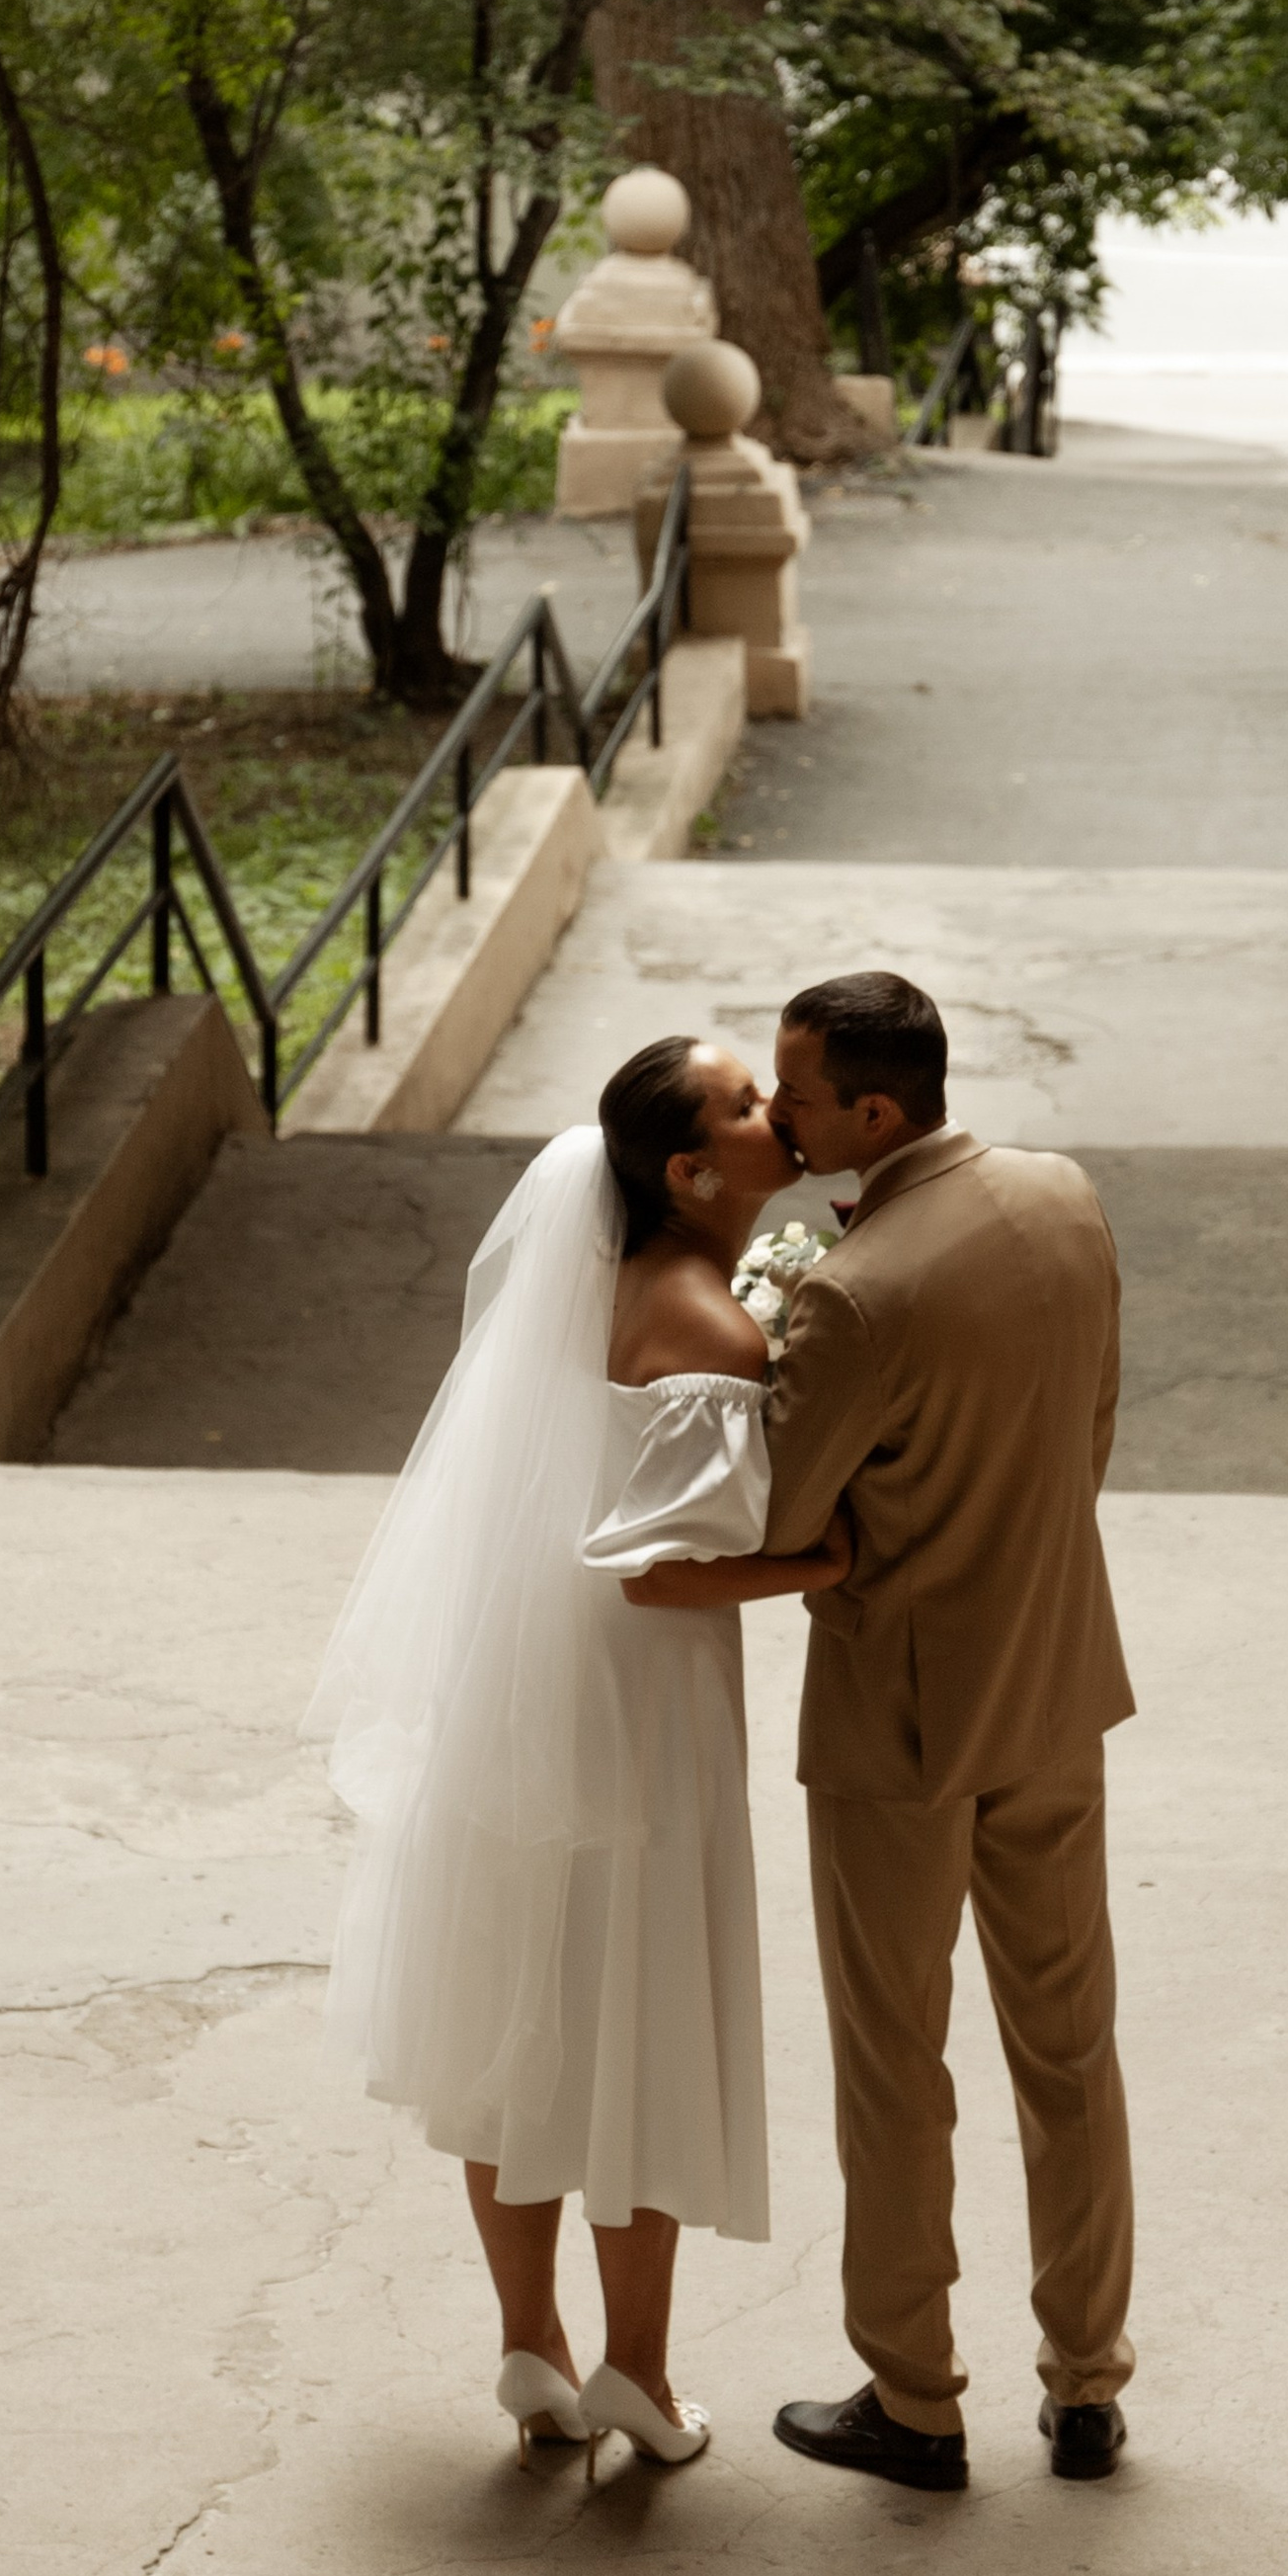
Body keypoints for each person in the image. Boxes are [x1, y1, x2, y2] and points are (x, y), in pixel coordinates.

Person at [622, 970, 1138, 2492]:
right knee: (1071, 2051)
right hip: (1056, 1683)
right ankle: (1088, 2383)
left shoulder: (853, 1294)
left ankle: (914, 2400)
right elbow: (1091, 1429)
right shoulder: (1064, 1196)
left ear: (873, 1110)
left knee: (896, 2067)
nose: (779, 1117)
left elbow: (784, 1517)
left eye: (795, 1093)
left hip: (900, 1724)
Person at [306, 1037, 848, 2476]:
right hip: (637, 1707)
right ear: (690, 1172)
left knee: (520, 2006)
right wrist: (825, 1564)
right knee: (637, 2014)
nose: (775, 1112)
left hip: (518, 1683)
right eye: (747, 1105)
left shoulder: (585, 1287)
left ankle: (530, 2346)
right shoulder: (714, 1331)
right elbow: (663, 1572)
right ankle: (641, 2375)